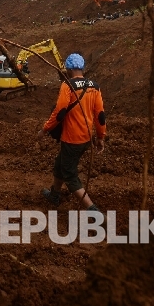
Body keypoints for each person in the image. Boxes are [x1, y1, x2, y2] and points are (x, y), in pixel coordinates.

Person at [38, 53, 106, 212]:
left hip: (72, 140)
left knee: (70, 176)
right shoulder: (94, 86)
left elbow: (59, 112)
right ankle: (54, 194)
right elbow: (100, 116)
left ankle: (93, 210)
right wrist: (101, 137)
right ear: (82, 68)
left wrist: (45, 129)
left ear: (68, 69)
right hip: (86, 138)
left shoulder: (67, 86)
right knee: (60, 164)